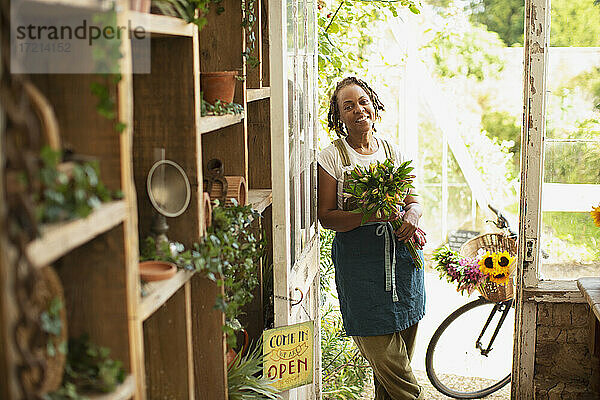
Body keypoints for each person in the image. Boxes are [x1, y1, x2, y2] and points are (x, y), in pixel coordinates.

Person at [317, 76, 425, 400]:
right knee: (404, 384)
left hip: (403, 269)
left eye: (362, 102)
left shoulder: (391, 150)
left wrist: (412, 216)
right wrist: (370, 215)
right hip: (361, 275)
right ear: (339, 116)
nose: (357, 110)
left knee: (389, 383)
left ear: (374, 104)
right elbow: (326, 217)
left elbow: (412, 198)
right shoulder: (332, 157)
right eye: (347, 106)